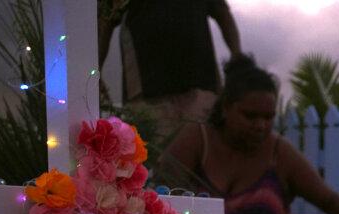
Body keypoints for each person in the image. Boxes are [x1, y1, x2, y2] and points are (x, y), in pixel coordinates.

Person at [160, 54, 339, 214]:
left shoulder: (280, 154)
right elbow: (159, 200)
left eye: (268, 117)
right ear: (226, 107)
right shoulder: (197, 141)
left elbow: (328, 200)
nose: (261, 125)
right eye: (250, 116)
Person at [99, 0, 242, 144]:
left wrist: (238, 61)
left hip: (201, 87)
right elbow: (105, 19)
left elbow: (222, 13)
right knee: (152, 158)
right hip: (147, 91)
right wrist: (94, 73)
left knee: (203, 155)